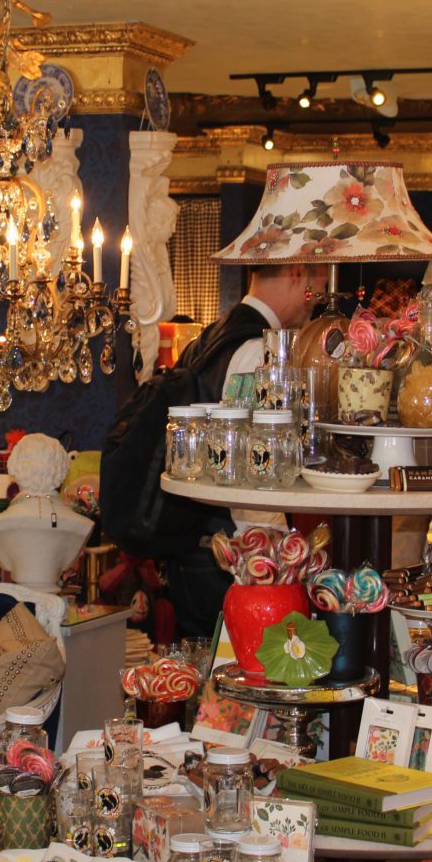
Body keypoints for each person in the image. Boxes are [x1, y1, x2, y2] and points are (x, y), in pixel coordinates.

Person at [164, 262, 329, 636]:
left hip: (195, 553)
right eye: (317, 284)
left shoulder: (210, 338)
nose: (316, 300)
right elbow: (256, 477)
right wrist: (276, 563)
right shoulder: (257, 351)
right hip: (233, 563)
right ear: (296, 273)